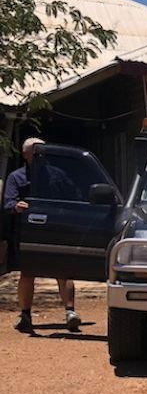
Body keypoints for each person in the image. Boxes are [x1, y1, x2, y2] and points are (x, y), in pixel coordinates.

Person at [2, 137, 82, 333]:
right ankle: (25, 315)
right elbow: (8, 203)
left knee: (63, 271)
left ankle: (70, 312)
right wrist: (17, 206)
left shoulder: (58, 175)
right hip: (28, 232)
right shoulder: (16, 177)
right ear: (25, 155)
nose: (40, 155)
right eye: (36, 152)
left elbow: (75, 198)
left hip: (56, 230)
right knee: (28, 273)